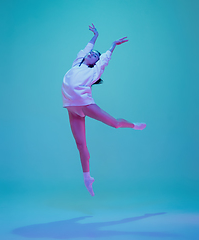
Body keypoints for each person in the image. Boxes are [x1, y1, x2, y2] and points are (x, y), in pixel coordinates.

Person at [61, 24, 146, 196]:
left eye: (94, 56)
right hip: (71, 107)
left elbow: (104, 59)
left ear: (95, 63)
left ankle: (133, 125)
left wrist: (113, 45)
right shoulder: (76, 64)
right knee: (81, 144)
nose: (91, 54)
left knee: (114, 123)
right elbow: (86, 48)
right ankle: (87, 178)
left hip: (85, 104)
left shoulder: (94, 72)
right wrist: (95, 36)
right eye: (91, 53)